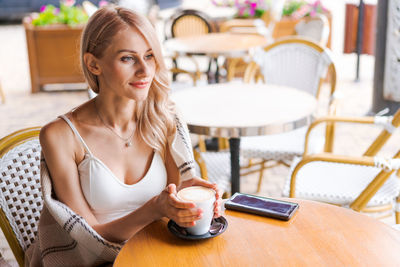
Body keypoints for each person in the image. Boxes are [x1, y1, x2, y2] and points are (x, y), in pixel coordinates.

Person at [39, 5, 221, 245]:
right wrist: (154, 209)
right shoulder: (61, 136)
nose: (145, 70)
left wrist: (197, 207)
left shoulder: (164, 119)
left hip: (161, 253)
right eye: (127, 58)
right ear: (94, 64)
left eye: (149, 56)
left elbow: (178, 194)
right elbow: (85, 238)